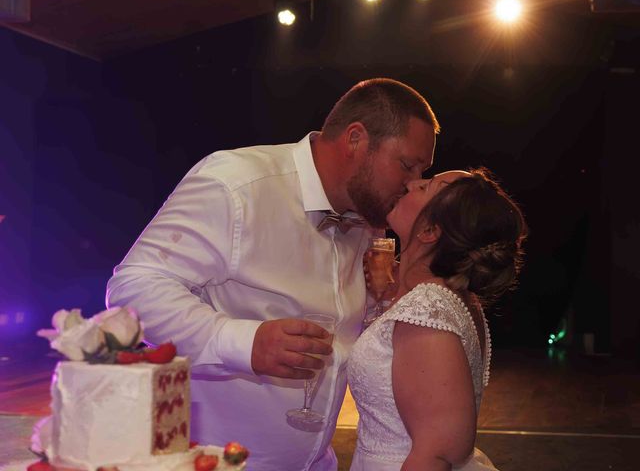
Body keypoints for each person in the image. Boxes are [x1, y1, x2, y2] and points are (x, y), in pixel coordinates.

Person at [106, 78, 440, 470]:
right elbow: (132, 287)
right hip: (214, 461)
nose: (414, 182)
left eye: (423, 171)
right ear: (355, 139)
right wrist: (245, 342)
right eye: (407, 164)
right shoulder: (236, 186)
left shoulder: (367, 221)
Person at [349, 169, 527, 471]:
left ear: (430, 231)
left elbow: (437, 453)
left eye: (426, 186)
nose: (409, 182)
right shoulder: (450, 300)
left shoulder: (425, 311)